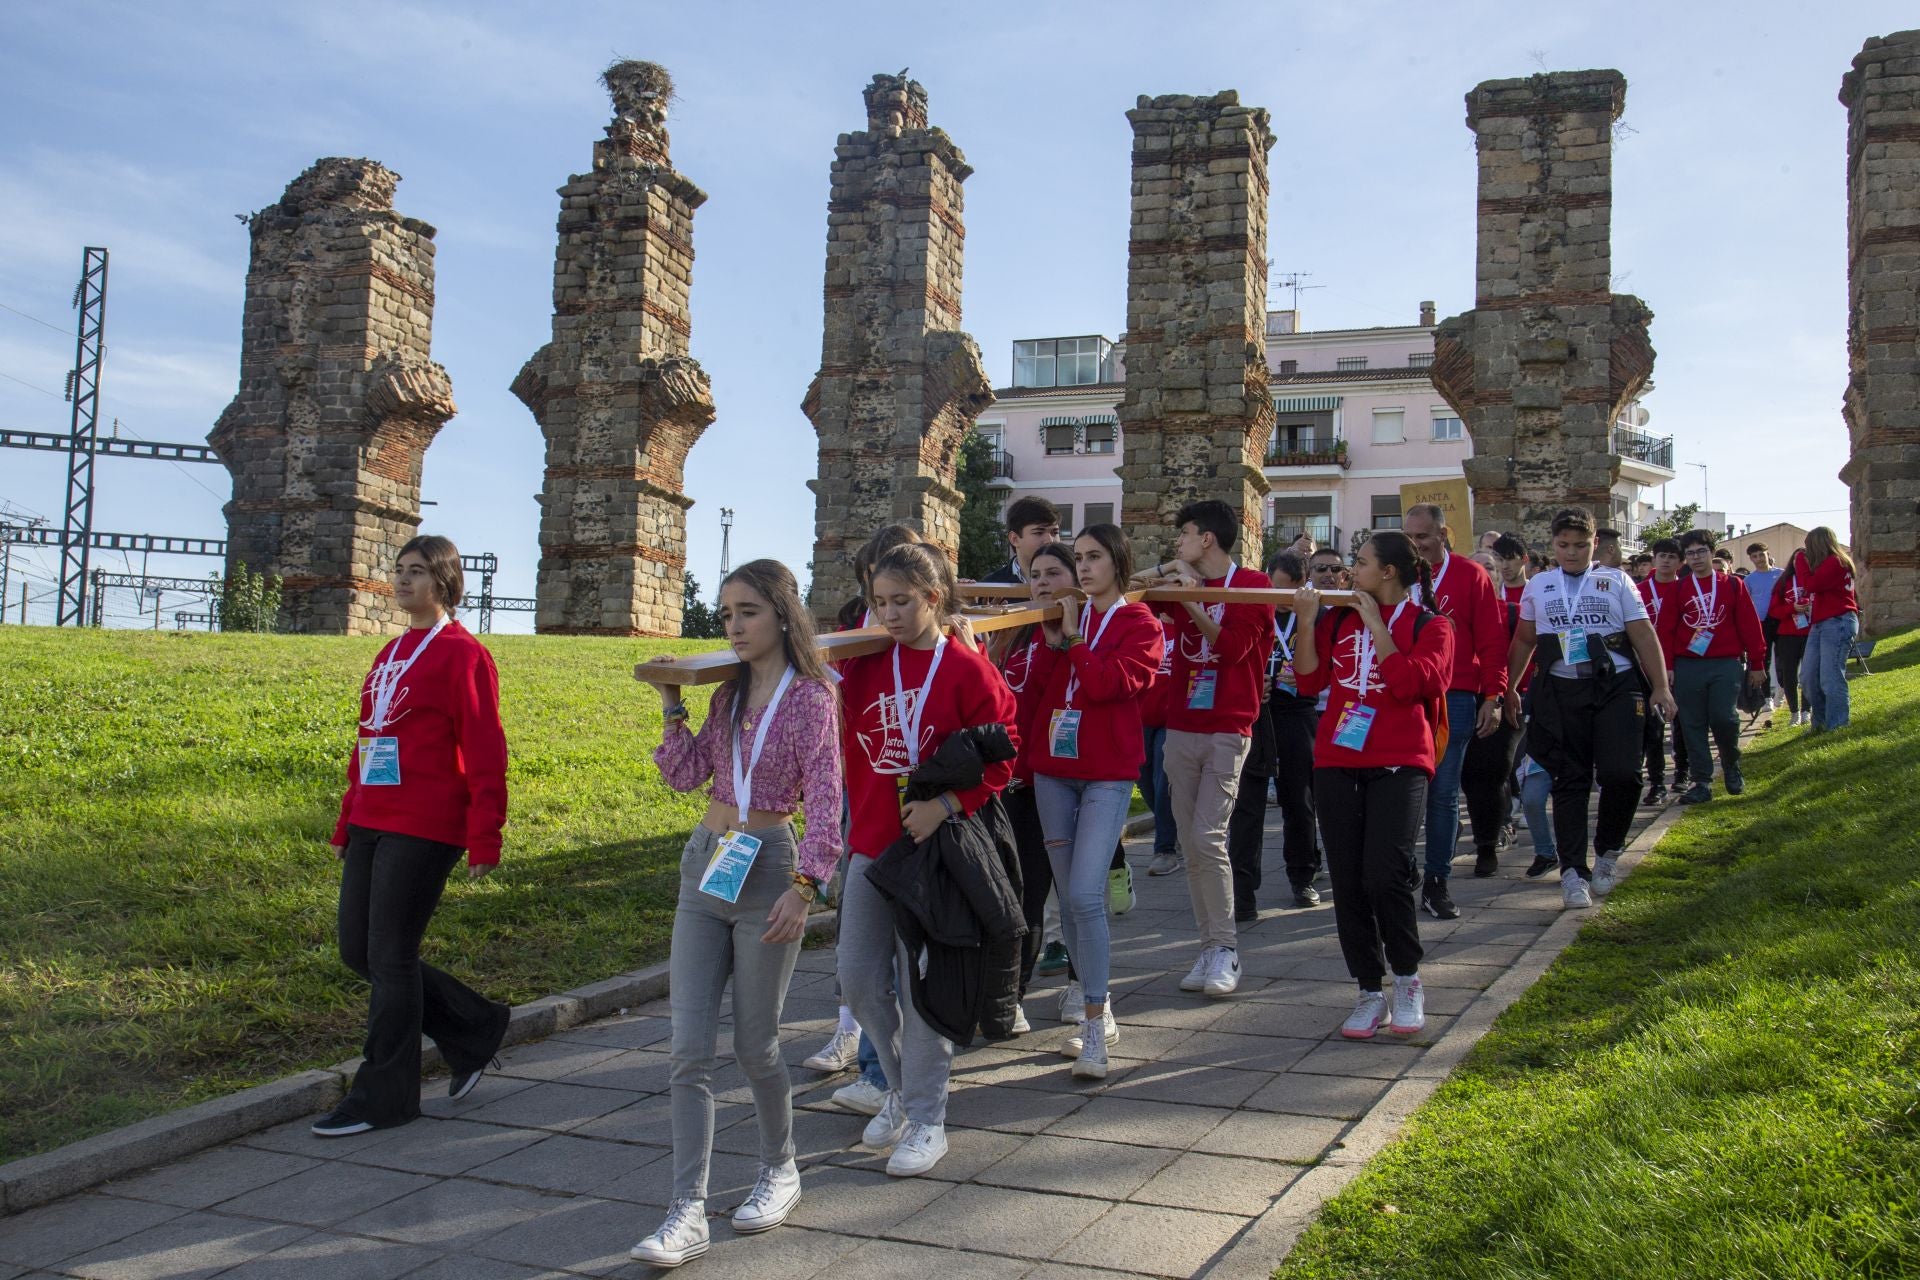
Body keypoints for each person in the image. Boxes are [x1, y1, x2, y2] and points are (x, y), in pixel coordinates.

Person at [630, 561, 842, 1266]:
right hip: (706, 863)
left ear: (783, 613)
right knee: (688, 1050)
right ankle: (685, 1210)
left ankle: (779, 1167)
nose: (733, 626)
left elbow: (827, 799)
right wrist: (670, 705)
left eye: (747, 611)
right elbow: (687, 774)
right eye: (725, 615)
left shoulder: (813, 697)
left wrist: (806, 884)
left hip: (770, 869)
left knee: (755, 1044)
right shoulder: (724, 694)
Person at [314, 536, 512, 1139]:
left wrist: (486, 835)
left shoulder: (462, 655)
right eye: (398, 571)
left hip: (427, 823)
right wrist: (348, 820)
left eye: (417, 572)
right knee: (358, 951)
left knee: (391, 957)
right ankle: (474, 1026)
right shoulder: (389, 652)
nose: (402, 581)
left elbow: (484, 747)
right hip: (374, 817)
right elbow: (367, 743)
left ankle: (383, 1097)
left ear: (446, 581)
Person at [835, 542, 1017, 1177]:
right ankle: (897, 1086)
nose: (888, 614)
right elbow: (795, 668)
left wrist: (948, 803)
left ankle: (928, 1119)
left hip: (937, 848)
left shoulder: (967, 669)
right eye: (878, 602)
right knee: (857, 976)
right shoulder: (859, 662)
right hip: (872, 844)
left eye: (901, 601)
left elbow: (1004, 751)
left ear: (933, 599)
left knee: (923, 987)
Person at [1289, 532, 1453, 1039]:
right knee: (1348, 879)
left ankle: (1406, 978)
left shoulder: (1433, 626)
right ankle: (1367, 988)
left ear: (1387, 572)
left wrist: (1377, 624)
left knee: (1386, 873)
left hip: (1401, 761)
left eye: (1358, 564)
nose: (1346, 573)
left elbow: (1407, 684)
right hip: (1337, 758)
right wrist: (1308, 620)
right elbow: (1308, 681)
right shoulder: (1337, 618)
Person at [1027, 524, 1162, 1077]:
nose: (1082, 567)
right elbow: (1036, 692)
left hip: (1107, 773)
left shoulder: (1140, 623)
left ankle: (1095, 1023)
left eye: (1093, 557)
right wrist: (1056, 643)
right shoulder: (1058, 620)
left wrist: (1076, 641)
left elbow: (1111, 686)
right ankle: (1093, 1009)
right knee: (1069, 892)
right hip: (1052, 771)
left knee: (1084, 896)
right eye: (1077, 558)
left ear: (1118, 562)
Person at [1134, 499, 1274, 997]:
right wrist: (1166, 572)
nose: (1179, 544)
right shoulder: (1177, 581)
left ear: (1207, 539)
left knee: (1209, 837)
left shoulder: (1254, 587)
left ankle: (1226, 948)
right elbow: (1128, 589)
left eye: (1184, 537)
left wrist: (1189, 597)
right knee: (1192, 844)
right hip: (1181, 727)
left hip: (1228, 729)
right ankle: (1207, 945)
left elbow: (1231, 648)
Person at [1506, 509, 1676, 906]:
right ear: (1552, 545)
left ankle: (1609, 850)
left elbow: (1643, 634)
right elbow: (1524, 641)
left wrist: (1661, 687)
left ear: (1595, 544)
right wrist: (1509, 688)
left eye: (1581, 545)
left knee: (1622, 773)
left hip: (1615, 686)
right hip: (1562, 690)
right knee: (1570, 781)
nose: (1572, 553)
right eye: (1564, 545)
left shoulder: (1617, 581)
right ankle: (1572, 871)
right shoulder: (1540, 586)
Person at [985, 541, 1079, 1029]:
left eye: (1053, 572)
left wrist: (1068, 637)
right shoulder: (1017, 633)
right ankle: (1011, 997)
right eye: (1035, 573)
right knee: (1022, 893)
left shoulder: (1077, 632)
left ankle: (1083, 987)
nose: (1041, 582)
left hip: (1061, 778)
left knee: (1073, 892)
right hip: (1015, 782)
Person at [1398, 504, 1507, 920]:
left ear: (1444, 534)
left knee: (1443, 793)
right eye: (1410, 538)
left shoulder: (1470, 575)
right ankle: (1404, 864)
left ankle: (1437, 879)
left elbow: (1492, 641)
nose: (1416, 545)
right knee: (1403, 789)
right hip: (1404, 691)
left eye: (1423, 537)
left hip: (1456, 695)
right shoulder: (1398, 572)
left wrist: (1493, 696)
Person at [1658, 529, 1766, 804]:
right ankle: (1702, 781)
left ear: (1711, 552)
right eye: (1690, 553)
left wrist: (1757, 662)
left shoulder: (1732, 585)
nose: (1696, 558)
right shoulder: (1679, 588)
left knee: (1724, 718)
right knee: (1692, 724)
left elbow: (1750, 625)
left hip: (1725, 662)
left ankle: (1731, 763)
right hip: (1688, 664)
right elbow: (1666, 630)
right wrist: (1666, 666)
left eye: (1701, 552)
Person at [1460, 534, 1528, 876]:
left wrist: (1507, 692)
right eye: (1475, 567)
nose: (1483, 572)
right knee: (1464, 775)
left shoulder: (1512, 612)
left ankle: (1487, 842)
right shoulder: (1450, 612)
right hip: (1459, 697)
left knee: (1490, 771)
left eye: (1489, 566)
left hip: (1501, 699)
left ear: (1499, 574)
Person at [1263, 549, 1326, 907]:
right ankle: (1242, 886)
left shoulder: (1321, 614)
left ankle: (1301, 875)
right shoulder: (1256, 607)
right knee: (1248, 801)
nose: (1283, 599)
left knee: (1299, 798)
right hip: (1259, 708)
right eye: (1276, 590)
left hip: (1300, 710)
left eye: (1291, 592)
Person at [1637, 538, 1687, 801]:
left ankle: (1682, 772)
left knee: (1682, 722)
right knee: (1652, 727)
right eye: (1661, 556)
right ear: (1653, 559)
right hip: (1646, 667)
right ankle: (1656, 782)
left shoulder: (1686, 589)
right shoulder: (1639, 591)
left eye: (1672, 556)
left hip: (1680, 664)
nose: (1666, 561)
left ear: (1681, 562)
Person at [1798, 527, 1860, 732]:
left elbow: (1811, 584)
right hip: (1822, 622)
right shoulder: (1830, 563)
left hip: (1838, 621)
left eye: (1809, 546)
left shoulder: (1836, 562)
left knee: (1830, 676)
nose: (1806, 552)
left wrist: (1800, 564)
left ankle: (1837, 724)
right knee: (1807, 676)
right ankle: (1822, 721)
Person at [1139, 612, 1182, 877]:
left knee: (1162, 779)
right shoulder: (1147, 624)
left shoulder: (1191, 622)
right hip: (1142, 716)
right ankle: (1177, 827)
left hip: (1173, 719)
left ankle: (1164, 849)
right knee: (1143, 780)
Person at [1768, 548, 1814, 727]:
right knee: (1789, 675)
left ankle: (1806, 711)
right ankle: (1794, 712)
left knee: (1808, 674)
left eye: (1805, 559)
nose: (1800, 562)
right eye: (1796, 559)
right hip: (1788, 634)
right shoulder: (1783, 582)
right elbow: (1774, 611)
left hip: (1811, 633)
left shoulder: (1814, 580)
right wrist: (1792, 608)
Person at [1743, 543, 1785, 711]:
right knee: (1764, 660)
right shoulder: (1749, 580)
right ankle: (1766, 697)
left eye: (1761, 555)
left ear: (1768, 554)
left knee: (1783, 659)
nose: (1759, 559)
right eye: (1755, 556)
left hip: (1781, 619)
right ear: (1751, 559)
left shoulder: (1781, 574)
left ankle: (1781, 690)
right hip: (1761, 622)